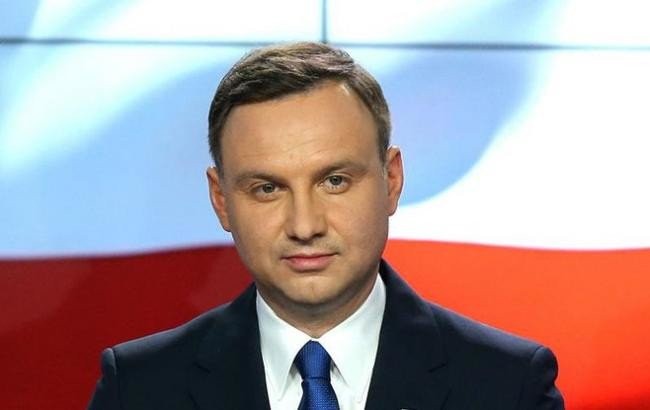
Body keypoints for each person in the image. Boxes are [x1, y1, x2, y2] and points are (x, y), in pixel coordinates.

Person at [88, 42, 564, 410]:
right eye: (267, 189)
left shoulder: (509, 386)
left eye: (334, 181)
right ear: (221, 200)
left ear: (391, 180)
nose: (304, 225)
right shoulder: (140, 389)